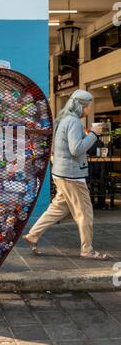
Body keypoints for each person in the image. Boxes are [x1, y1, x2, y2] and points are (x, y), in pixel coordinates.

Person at [23, 89, 109, 260]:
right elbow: (76, 149)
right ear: (80, 105)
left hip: (61, 172)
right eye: (88, 106)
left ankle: (33, 234)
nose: (89, 109)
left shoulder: (63, 120)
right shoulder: (74, 122)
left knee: (58, 208)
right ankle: (87, 250)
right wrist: (93, 134)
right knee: (85, 213)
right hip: (72, 176)